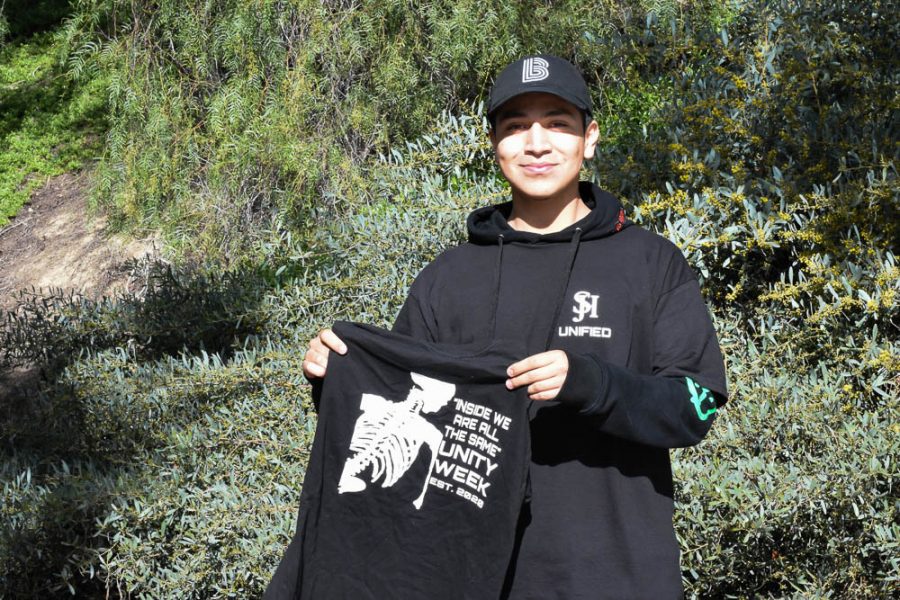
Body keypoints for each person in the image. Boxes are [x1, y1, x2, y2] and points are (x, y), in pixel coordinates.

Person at [303, 54, 727, 599]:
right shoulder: (449, 277)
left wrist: (592, 383)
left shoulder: (651, 264)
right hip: (468, 577)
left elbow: (696, 406)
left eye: (556, 122)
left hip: (618, 577)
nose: (536, 142)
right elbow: (399, 406)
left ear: (589, 138)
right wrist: (334, 377)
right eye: (515, 127)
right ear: (494, 144)